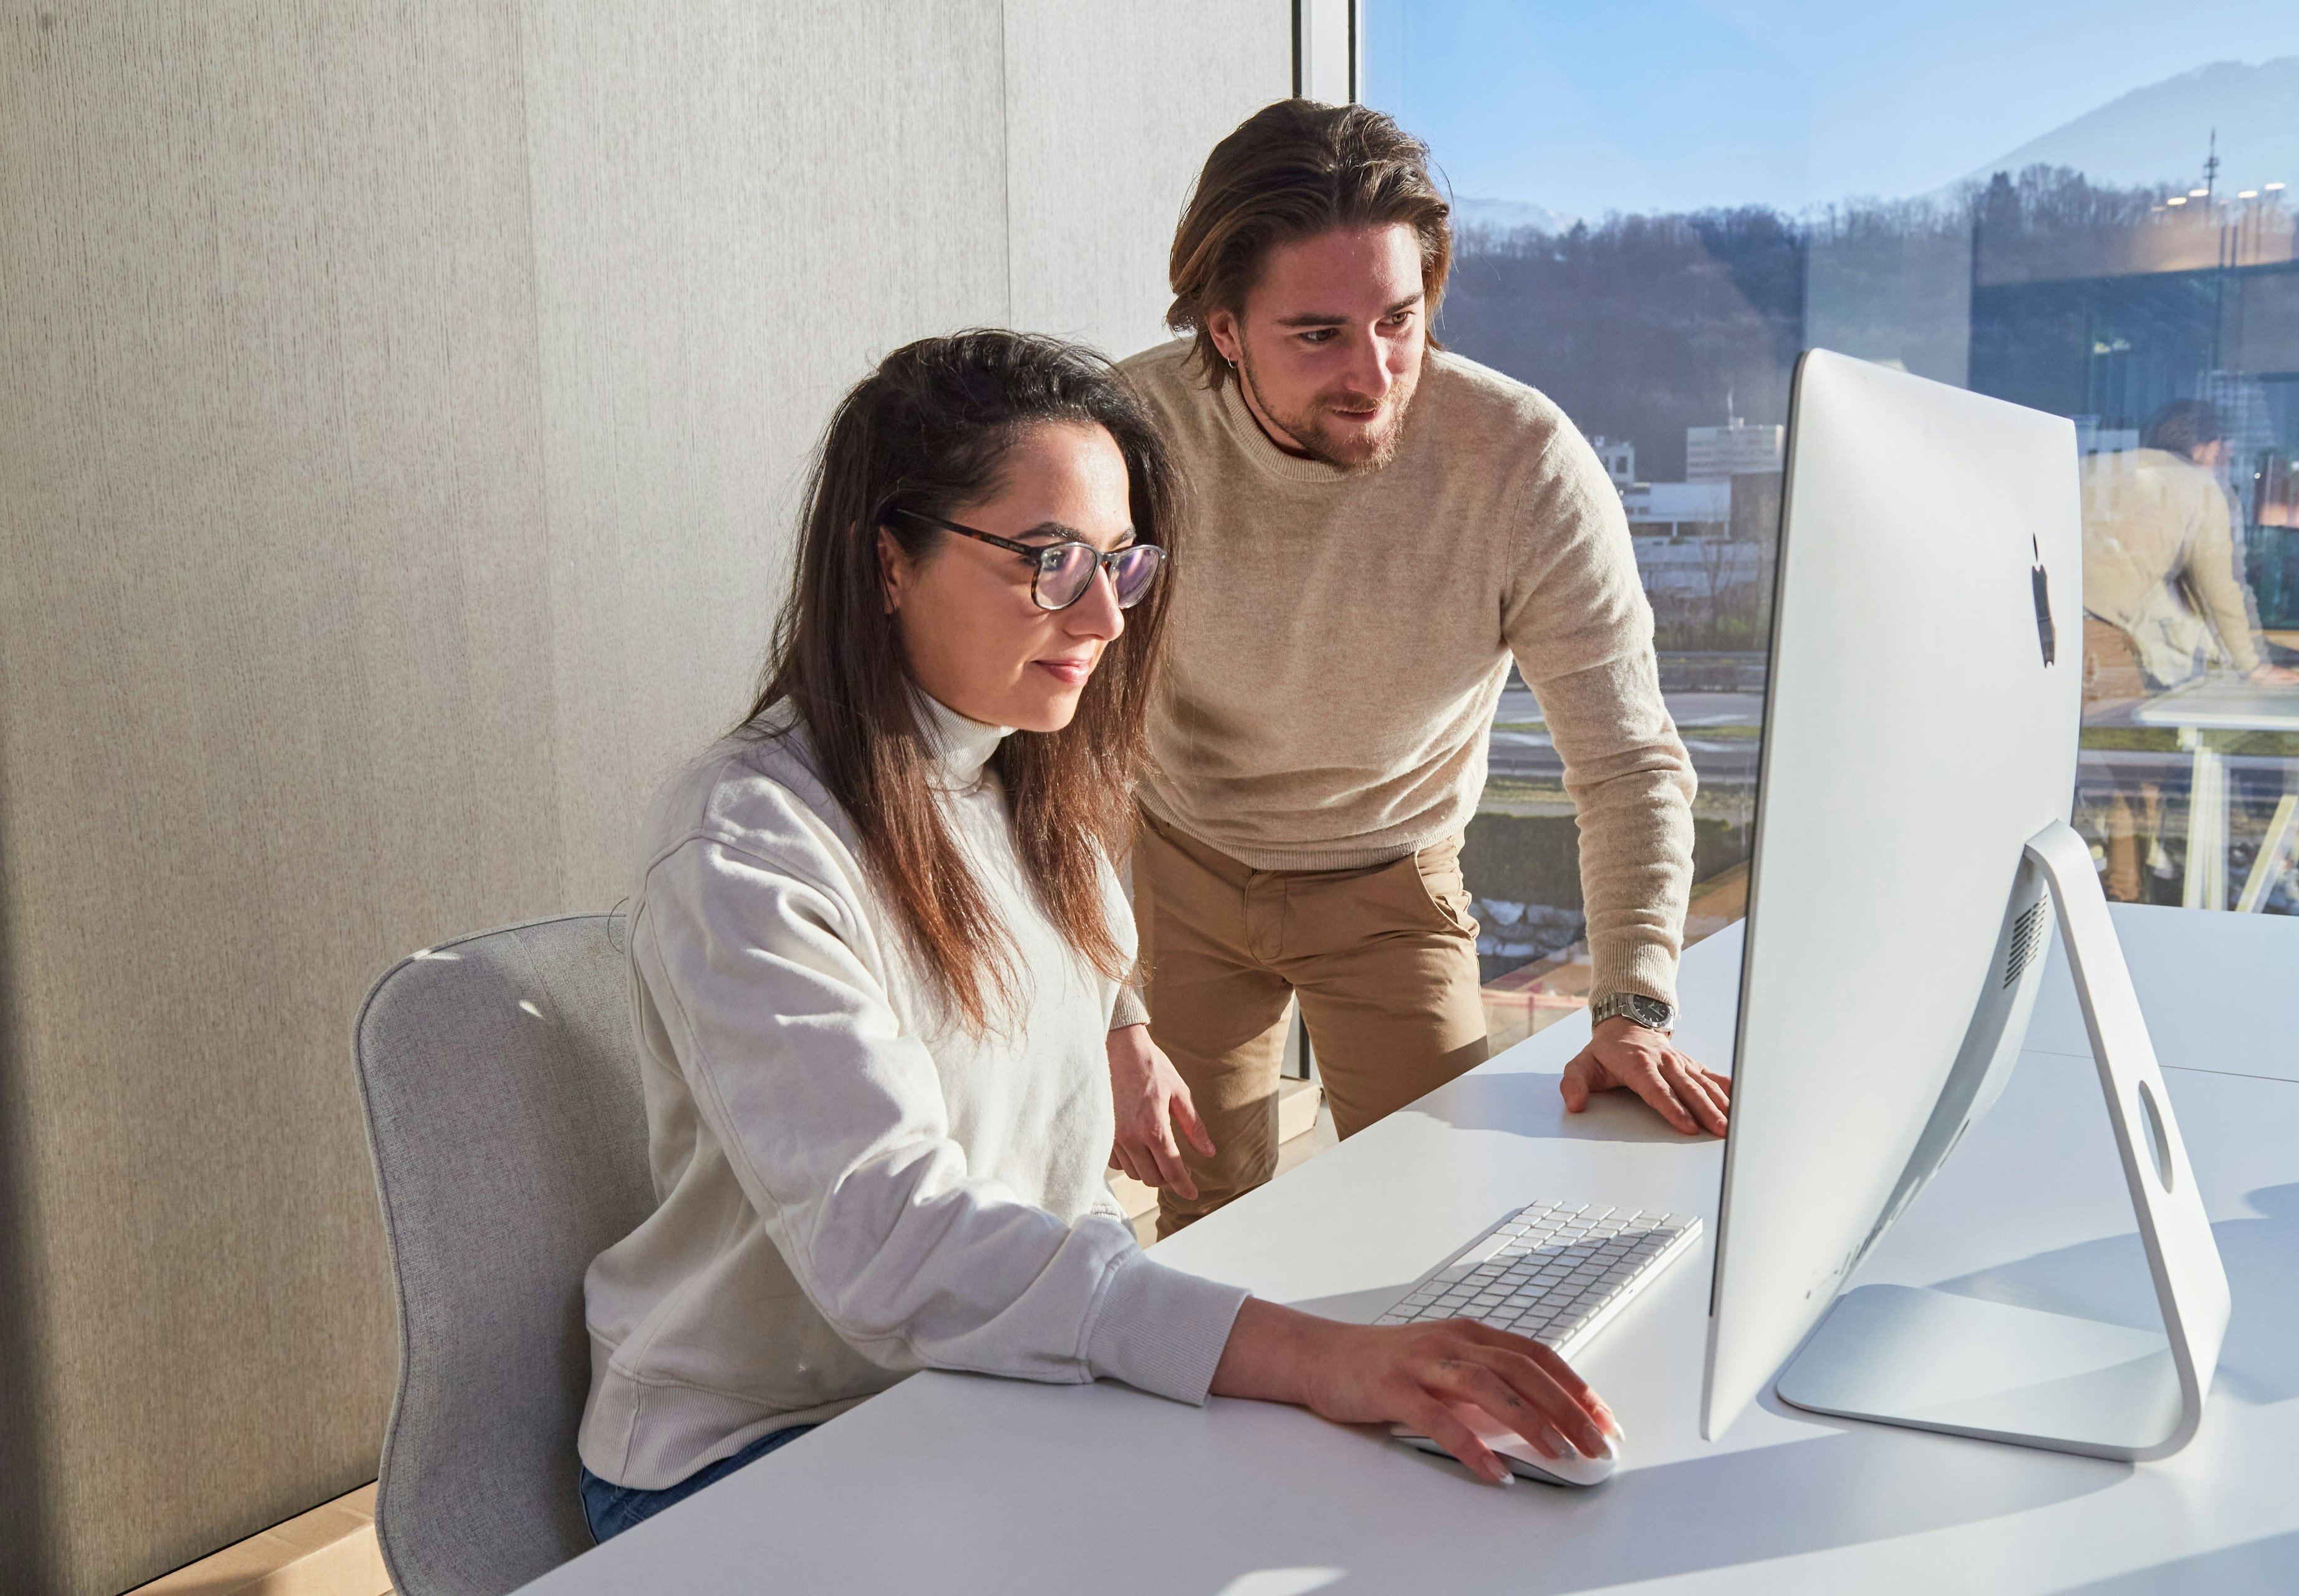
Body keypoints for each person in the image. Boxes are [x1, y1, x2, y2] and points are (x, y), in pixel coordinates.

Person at [573, 331, 1621, 1542]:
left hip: (967, 1397)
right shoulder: (747, 841)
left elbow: (1068, 1008)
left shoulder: (1027, 781)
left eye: (1120, 565)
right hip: (756, 1448)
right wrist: (1303, 1353)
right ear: (887, 560)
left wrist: (1120, 1036)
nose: (1104, 618)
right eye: (1050, 560)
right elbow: (895, 1246)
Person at [1102, 101, 1727, 1238]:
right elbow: (1044, 740)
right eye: (1318, 335)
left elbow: (1630, 760)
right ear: (1224, 328)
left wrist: (1633, 1002)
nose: (1375, 373)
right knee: (1205, 1227)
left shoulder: (1522, 461)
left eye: (1399, 318)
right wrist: (1102, 1006)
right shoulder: (1128, 436)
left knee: (1436, 1231)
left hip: (1391, 879)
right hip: (1181, 862)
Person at [2081, 398, 2299, 900]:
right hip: (2094, 636)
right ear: (2207, 447)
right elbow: (2221, 587)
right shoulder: (2197, 486)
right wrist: (2255, 666)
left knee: (2077, 773)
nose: (2228, 463)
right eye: (2226, 451)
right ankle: (2127, 899)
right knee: (2128, 779)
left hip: (2029, 628)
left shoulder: (2091, 469)